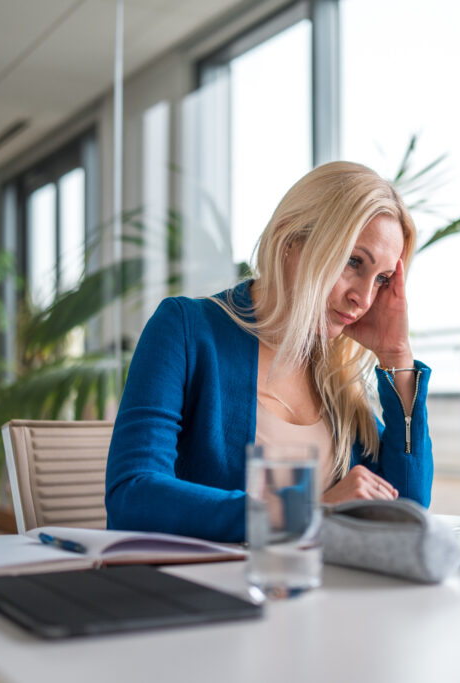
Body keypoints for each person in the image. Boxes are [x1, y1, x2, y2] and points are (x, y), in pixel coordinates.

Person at [105, 161, 433, 543]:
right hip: (212, 594)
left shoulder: (337, 378)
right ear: (289, 240)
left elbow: (407, 508)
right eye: (352, 261)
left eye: (380, 279)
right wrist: (306, 513)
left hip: (325, 595)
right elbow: (133, 494)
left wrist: (396, 355)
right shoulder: (187, 330)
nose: (362, 297)